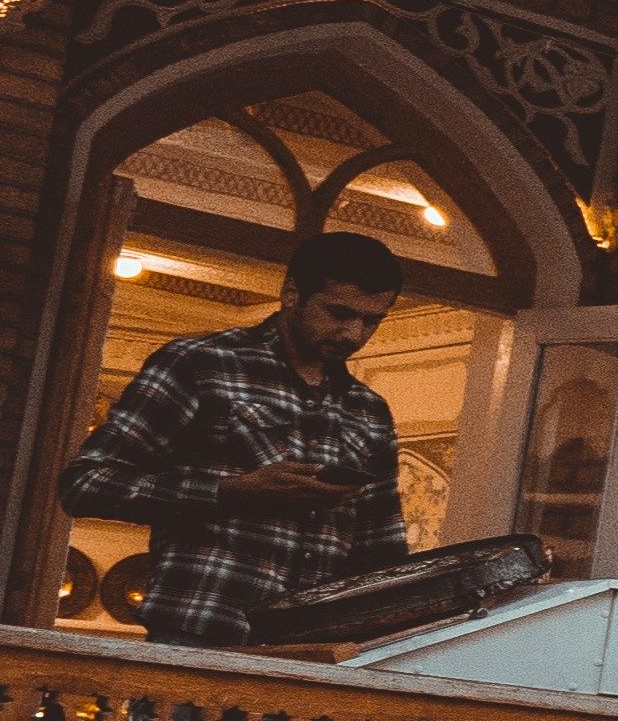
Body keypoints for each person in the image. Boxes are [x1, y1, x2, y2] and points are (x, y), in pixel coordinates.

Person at [59, 227, 414, 647]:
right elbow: (86, 485)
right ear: (291, 294)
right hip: (199, 638)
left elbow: (382, 550)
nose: (354, 334)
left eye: (371, 320)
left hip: (311, 654)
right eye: (338, 314)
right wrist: (228, 492)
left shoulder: (368, 409)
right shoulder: (201, 364)